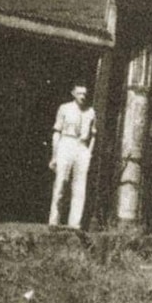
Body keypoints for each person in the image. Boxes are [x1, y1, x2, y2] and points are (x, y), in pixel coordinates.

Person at [48, 82, 96, 229]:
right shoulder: (64, 108)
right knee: (61, 182)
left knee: (80, 186)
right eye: (80, 93)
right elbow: (57, 132)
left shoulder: (91, 112)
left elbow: (94, 134)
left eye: (85, 94)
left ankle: (75, 223)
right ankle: (54, 221)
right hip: (66, 143)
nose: (83, 96)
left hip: (82, 147)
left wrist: (89, 152)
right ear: (73, 94)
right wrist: (54, 155)